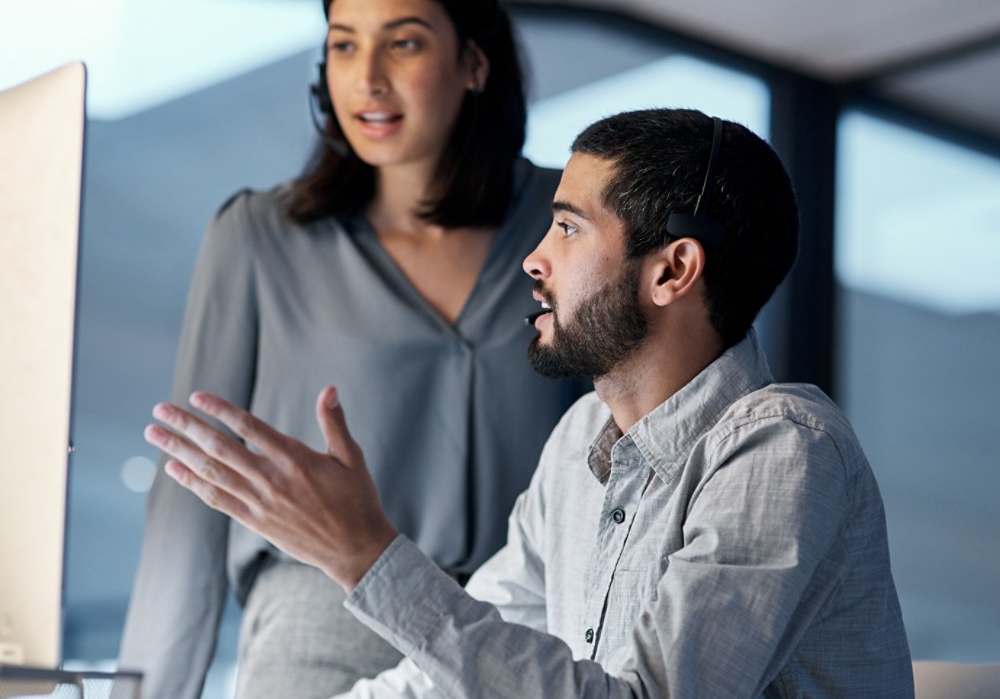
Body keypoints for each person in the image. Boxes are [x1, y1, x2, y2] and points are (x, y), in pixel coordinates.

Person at [145, 109, 915, 697]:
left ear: (673, 270)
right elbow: (443, 676)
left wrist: (364, 555)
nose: (533, 259)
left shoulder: (785, 451)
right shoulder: (583, 439)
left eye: (569, 228)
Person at [118, 0, 584, 697]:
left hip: (515, 627)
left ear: (474, 62)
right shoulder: (260, 237)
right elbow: (190, 498)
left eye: (403, 42)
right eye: (343, 44)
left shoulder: (566, 228)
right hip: (320, 623)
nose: (367, 76)